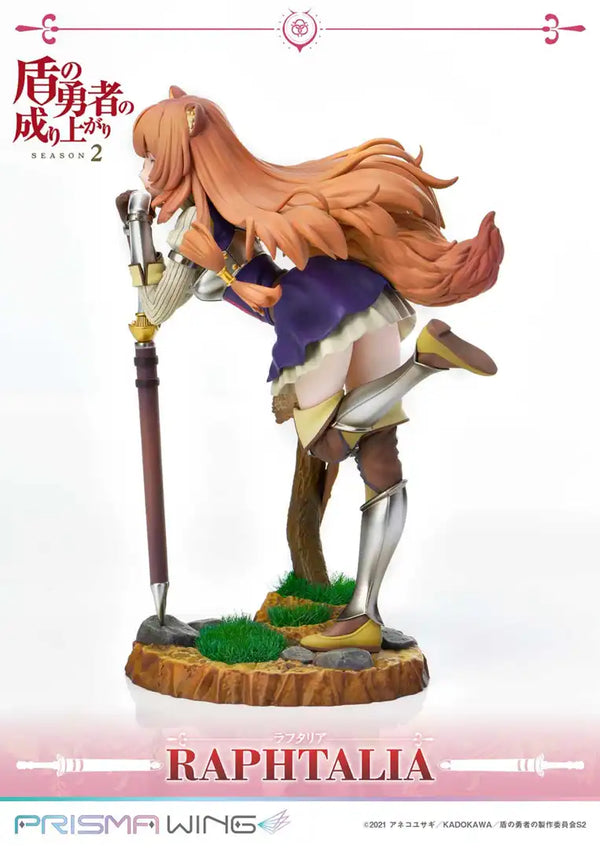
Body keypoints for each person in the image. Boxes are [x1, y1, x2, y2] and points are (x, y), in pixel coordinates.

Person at [118, 86, 503, 653]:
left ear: (184, 152)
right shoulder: (255, 191)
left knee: (325, 443)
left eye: (153, 156)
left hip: (313, 316)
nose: (147, 169)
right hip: (368, 294)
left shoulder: (196, 224)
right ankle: (364, 613)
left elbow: (155, 307)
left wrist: (137, 248)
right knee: (380, 457)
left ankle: (424, 363)